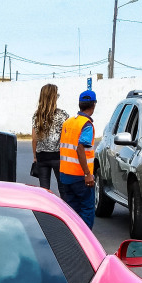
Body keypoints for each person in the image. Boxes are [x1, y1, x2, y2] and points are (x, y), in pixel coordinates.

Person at [57, 90, 97, 228]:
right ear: (94, 105)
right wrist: (87, 174)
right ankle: (85, 241)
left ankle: (73, 238)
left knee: (72, 210)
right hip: (80, 177)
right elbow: (80, 148)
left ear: (80, 104)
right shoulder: (86, 125)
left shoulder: (68, 122)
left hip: (65, 175)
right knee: (87, 209)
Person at [30, 84, 68, 193]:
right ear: (54, 97)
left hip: (42, 156)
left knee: (44, 190)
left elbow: (34, 139)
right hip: (58, 156)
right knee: (63, 189)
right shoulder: (62, 115)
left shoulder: (37, 115)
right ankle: (63, 209)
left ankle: (45, 210)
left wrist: (35, 156)